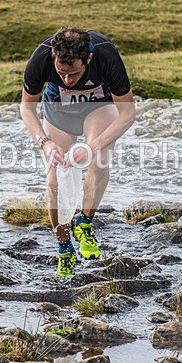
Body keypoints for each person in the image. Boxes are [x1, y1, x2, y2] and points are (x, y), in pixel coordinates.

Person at [20, 27, 136, 278]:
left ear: (89, 59)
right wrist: (45, 143)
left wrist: (93, 147)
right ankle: (64, 246)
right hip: (58, 112)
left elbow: (128, 114)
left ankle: (84, 222)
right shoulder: (40, 58)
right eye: (61, 73)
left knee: (100, 157)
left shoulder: (106, 55)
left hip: (98, 108)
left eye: (74, 73)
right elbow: (27, 109)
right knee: (53, 181)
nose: (67, 80)